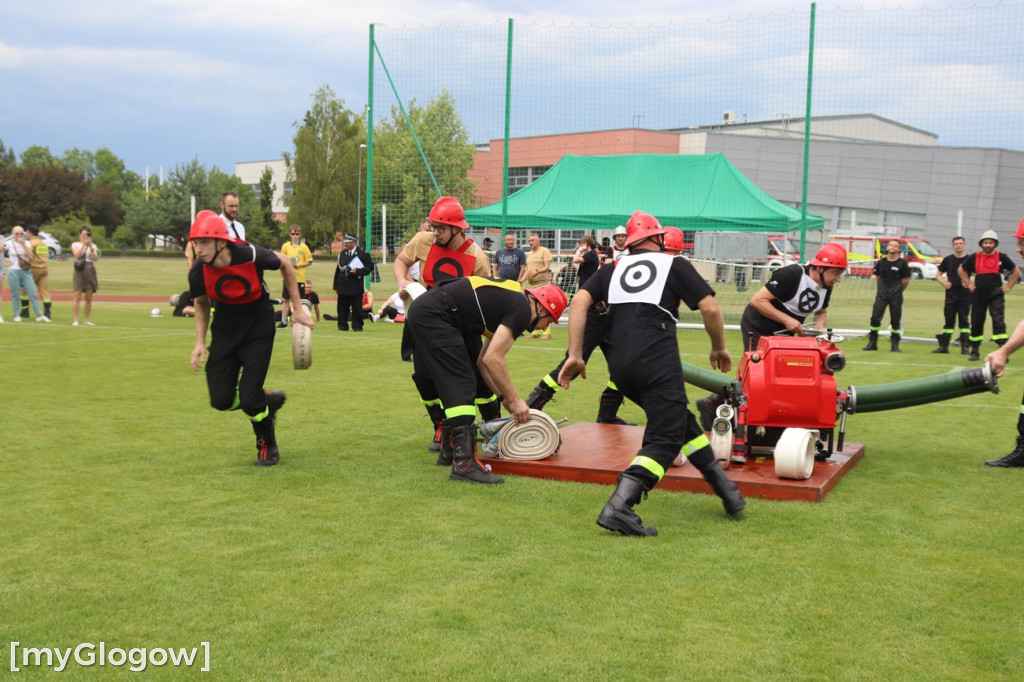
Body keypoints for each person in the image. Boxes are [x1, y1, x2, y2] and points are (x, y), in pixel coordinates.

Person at [557, 210, 742, 537]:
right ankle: (620, 507)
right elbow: (711, 308)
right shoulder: (675, 264)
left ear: (629, 242)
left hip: (621, 366)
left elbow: (579, 303)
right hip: (656, 360)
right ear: (658, 238)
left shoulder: (612, 268)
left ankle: (723, 486)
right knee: (665, 438)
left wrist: (575, 354)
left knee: (679, 420)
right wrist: (719, 348)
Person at [407, 277, 567, 484]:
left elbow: (482, 362)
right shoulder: (522, 310)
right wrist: (517, 401)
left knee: (467, 377)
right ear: (543, 309)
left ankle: (449, 452)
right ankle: (464, 464)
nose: (545, 328)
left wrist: (504, 398)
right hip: (437, 313)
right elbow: (493, 359)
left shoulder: (511, 304)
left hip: (432, 309)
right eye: (550, 320)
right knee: (461, 383)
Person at [187, 210, 313, 467]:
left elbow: (286, 264)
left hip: (258, 328)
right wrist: (200, 342)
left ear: (221, 242)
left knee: (248, 398)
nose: (198, 249)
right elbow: (200, 303)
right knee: (220, 400)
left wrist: (298, 308)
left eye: (204, 242)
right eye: (195, 243)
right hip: (224, 331)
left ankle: (267, 444)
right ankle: (268, 401)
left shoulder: (249, 253)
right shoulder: (198, 271)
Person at [394, 197, 495, 457]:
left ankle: (494, 425)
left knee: (479, 377)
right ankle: (441, 426)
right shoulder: (422, 240)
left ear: (457, 229)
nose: (435, 232)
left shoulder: (477, 258)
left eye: (440, 228)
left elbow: (483, 298)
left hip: (463, 323)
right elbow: (401, 262)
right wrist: (402, 282)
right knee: (425, 378)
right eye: (433, 226)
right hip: (427, 319)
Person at [959, 229, 1020, 361]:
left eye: (990, 242)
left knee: (998, 321)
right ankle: (974, 350)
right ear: (981, 244)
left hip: (996, 294)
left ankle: (1003, 351)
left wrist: (1008, 286)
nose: (988, 245)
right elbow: (961, 270)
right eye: (985, 242)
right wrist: (969, 284)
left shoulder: (1002, 257)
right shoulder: (975, 257)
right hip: (978, 295)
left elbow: (1016, 271)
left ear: (995, 244)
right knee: (976, 321)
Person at [863, 239, 910, 352]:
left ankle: (895, 345)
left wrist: (897, 290)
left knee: (895, 320)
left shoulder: (902, 263)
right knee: (875, 318)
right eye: (891, 245)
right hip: (882, 295)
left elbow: (906, 281)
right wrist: (882, 289)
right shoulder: (881, 262)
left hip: (896, 296)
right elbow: (878, 278)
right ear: (888, 248)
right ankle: (872, 343)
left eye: (896, 246)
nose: (893, 247)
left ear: (898, 249)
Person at [933, 235, 972, 354]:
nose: (958, 246)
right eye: (956, 244)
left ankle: (965, 347)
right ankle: (944, 346)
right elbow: (938, 274)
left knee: (964, 320)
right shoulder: (948, 260)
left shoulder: (970, 259)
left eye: (960, 243)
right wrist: (944, 283)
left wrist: (970, 282)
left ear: (964, 245)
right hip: (951, 293)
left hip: (965, 294)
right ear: (953, 246)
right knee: (949, 320)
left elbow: (979, 273)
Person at [6, 226, 49, 322]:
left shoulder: (28, 243)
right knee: (15, 294)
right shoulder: (9, 243)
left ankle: (39, 314)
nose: (19, 235)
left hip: (25, 271)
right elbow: (2, 251)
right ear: (13, 234)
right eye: (17, 233)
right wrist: (5, 263)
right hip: (14, 270)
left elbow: (31, 256)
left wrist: (24, 245)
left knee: (32, 293)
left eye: (21, 233)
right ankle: (16, 314)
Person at [333, 234, 373, 331]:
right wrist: (336, 286)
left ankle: (357, 326)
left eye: (347, 242)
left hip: (355, 285)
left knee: (356, 308)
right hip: (343, 285)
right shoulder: (342, 254)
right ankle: (342, 326)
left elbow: (369, 267)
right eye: (345, 242)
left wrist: (358, 271)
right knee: (342, 307)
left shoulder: (363, 254)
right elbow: (338, 271)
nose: (345, 244)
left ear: (353, 242)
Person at [278, 224, 313, 328]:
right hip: (287, 277)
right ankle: (284, 321)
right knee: (285, 299)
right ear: (289, 234)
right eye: (293, 234)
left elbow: (310, 261)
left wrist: (299, 265)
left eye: (297, 234)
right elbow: (281, 259)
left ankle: (298, 320)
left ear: (300, 234)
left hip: (300, 277)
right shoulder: (285, 246)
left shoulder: (304, 247)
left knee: (299, 301)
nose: (295, 236)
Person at [71, 226, 99, 326]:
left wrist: (90, 246)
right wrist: (83, 244)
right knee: (77, 295)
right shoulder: (75, 244)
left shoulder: (93, 246)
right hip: (79, 269)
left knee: (88, 296)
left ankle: (86, 319)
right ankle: (75, 320)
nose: (85, 236)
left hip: (89, 269)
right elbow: (77, 255)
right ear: (79, 235)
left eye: (87, 235)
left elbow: (95, 258)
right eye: (83, 235)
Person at [22, 225, 52, 320]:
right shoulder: (43, 243)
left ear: (30, 232)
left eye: (27, 232)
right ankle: (47, 312)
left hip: (33, 268)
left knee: (24, 290)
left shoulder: (30, 243)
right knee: (44, 291)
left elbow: (28, 256)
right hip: (43, 268)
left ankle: (25, 311)